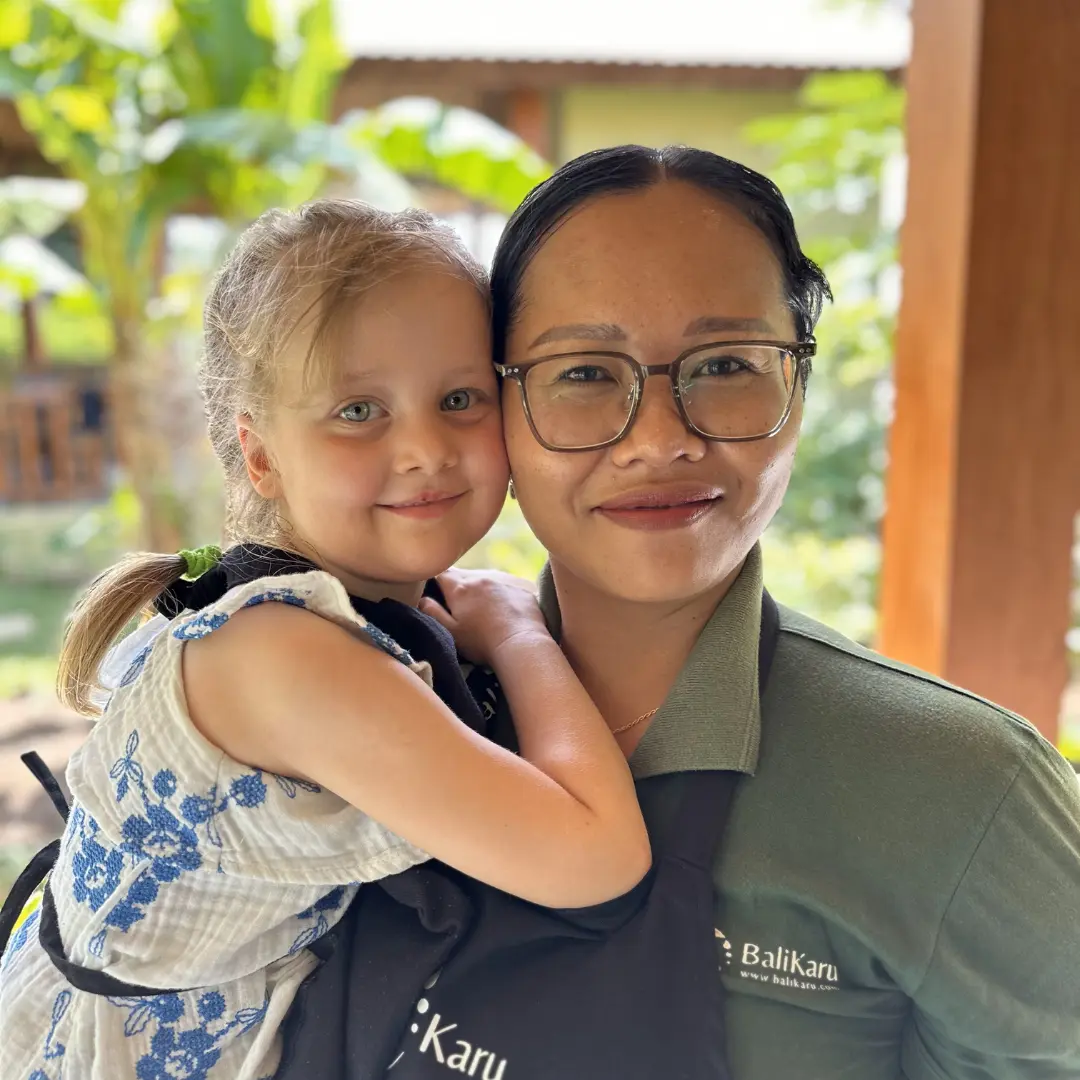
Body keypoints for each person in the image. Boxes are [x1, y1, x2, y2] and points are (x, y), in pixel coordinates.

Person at [274, 146, 1080, 1080]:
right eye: (583, 373)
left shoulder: (958, 790)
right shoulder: (363, 700)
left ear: (799, 387)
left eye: (728, 362)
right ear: (494, 402)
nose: (659, 439)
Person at [0, 199, 651, 1080]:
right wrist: (520, 630)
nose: (425, 446)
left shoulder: (299, 611)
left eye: (459, 398)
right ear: (260, 456)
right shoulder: (288, 657)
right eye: (357, 411)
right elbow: (596, 857)